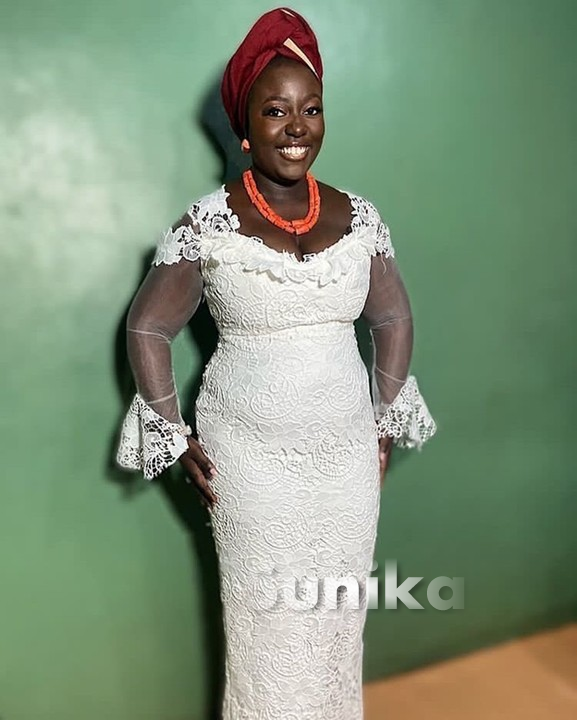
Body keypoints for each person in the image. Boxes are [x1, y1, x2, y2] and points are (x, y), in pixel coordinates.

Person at [116, 7, 436, 718]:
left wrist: (383, 420)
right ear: (243, 128)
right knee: (267, 627)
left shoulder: (361, 217)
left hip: (345, 459)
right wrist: (171, 435)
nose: (296, 126)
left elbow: (393, 316)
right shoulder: (208, 223)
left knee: (334, 620)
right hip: (251, 463)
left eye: (311, 108)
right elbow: (148, 326)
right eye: (275, 110)